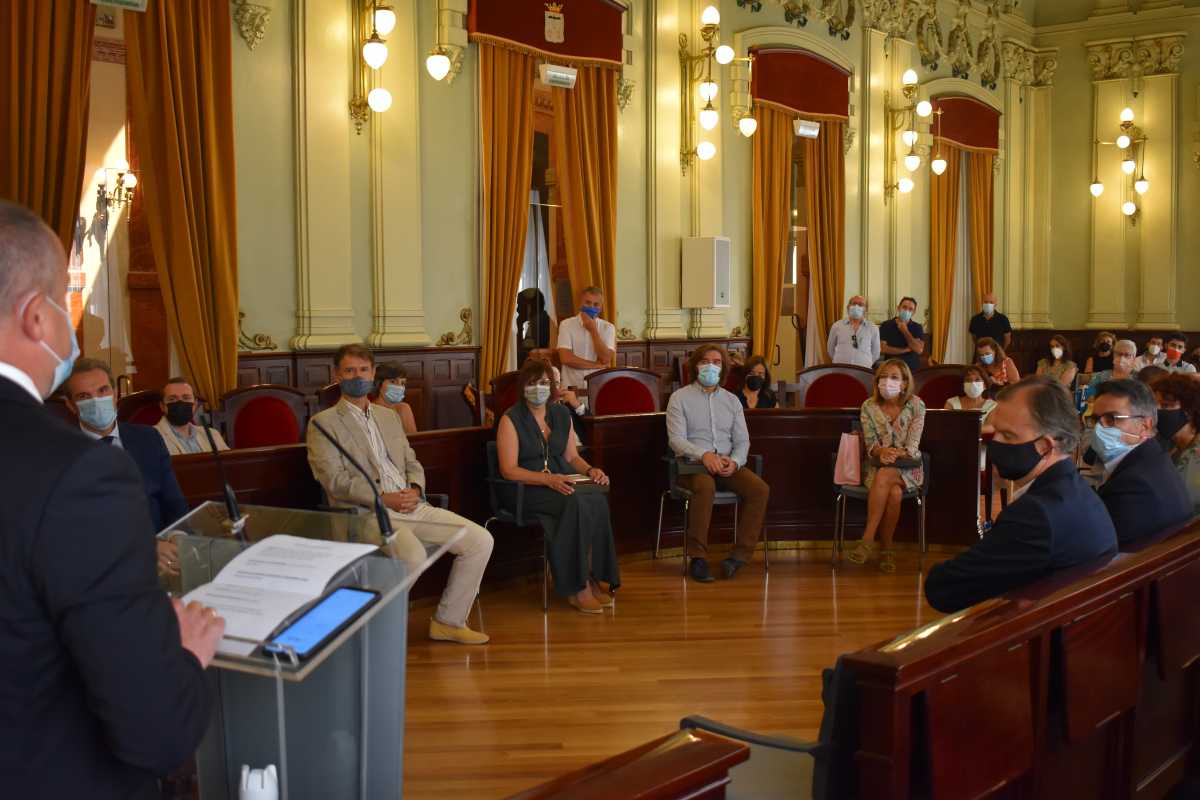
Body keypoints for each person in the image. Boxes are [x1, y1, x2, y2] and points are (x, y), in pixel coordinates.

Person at [0, 199, 221, 798]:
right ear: (36, 317)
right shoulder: (77, 475)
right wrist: (184, 659)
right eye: (61, 303)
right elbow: (156, 730)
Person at [308, 345, 494, 644]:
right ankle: (367, 629)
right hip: (367, 512)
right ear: (337, 375)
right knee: (412, 554)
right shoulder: (323, 423)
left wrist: (416, 488)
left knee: (479, 541)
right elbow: (334, 481)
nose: (358, 376)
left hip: (411, 505)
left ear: (372, 374)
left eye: (363, 370)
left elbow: (411, 461)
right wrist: (383, 498)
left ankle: (448, 621)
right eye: (350, 371)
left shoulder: (388, 416)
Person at [924, 377, 1118, 613]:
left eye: (1008, 436)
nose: (994, 443)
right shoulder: (1076, 490)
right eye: (994, 431)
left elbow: (944, 589)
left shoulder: (1035, 515)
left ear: (1045, 446)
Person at [496, 359, 620, 613]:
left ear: (552, 386)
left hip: (561, 481)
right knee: (573, 502)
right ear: (523, 387)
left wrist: (590, 470)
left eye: (544, 383)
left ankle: (593, 575)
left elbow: (571, 457)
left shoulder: (561, 413)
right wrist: (547, 479)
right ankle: (577, 587)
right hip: (525, 488)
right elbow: (508, 470)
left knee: (595, 499)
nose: (538, 388)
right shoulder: (511, 419)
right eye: (532, 383)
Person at [62, 359, 190, 579]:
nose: (96, 401)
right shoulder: (59, 454)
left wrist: (177, 539)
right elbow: (73, 528)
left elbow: (174, 501)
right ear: (71, 406)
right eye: (84, 397)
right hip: (99, 569)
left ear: (116, 394)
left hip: (165, 560)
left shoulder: (148, 438)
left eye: (103, 390)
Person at [666, 346, 770, 582]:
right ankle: (698, 558)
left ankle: (738, 557)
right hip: (692, 465)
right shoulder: (680, 398)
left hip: (725, 463)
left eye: (716, 362)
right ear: (695, 366)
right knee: (705, 486)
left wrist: (734, 462)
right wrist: (704, 455)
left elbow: (743, 441)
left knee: (760, 489)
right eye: (705, 361)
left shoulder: (732, 401)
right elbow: (676, 440)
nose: (710, 366)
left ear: (723, 368)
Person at [1090, 379, 1193, 546]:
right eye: (1096, 420)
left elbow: (1098, 544)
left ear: (1145, 425)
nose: (1099, 428)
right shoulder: (1152, 457)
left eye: (1111, 419)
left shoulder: (1134, 485)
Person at [846, 359, 926, 573]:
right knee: (894, 493)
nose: (887, 381)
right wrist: (881, 452)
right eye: (883, 376)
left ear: (904, 383)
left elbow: (913, 445)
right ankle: (887, 549)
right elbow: (871, 444)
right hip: (877, 466)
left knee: (886, 476)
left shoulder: (917, 405)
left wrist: (894, 453)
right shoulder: (868, 406)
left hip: (909, 468)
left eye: (893, 377)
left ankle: (867, 539)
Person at [1151, 374, 1200, 515]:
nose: (1158, 411)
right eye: (1156, 405)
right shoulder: (1174, 444)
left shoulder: (1195, 455)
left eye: (1166, 405)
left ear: (1189, 411)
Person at [556, 285, 615, 389]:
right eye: (587, 303)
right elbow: (566, 358)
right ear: (580, 303)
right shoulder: (566, 324)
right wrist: (597, 365)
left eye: (596, 304)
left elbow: (605, 358)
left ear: (601, 307)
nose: (591, 307)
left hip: (598, 386)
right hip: (572, 386)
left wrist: (593, 330)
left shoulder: (608, 327)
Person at [154, 376, 229, 455]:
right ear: (162, 406)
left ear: (195, 404)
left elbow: (230, 464)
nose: (180, 403)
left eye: (186, 398)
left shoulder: (213, 434)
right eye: (172, 399)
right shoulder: (151, 438)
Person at [826, 295, 880, 368]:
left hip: (863, 372)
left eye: (860, 304)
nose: (856, 306)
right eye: (854, 303)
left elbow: (876, 353)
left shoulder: (873, 328)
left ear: (866, 309)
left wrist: (866, 363)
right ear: (848, 307)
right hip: (840, 370)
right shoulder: (837, 326)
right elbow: (830, 349)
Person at [878, 297, 925, 375]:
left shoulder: (917, 327)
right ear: (898, 308)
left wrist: (905, 331)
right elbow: (881, 348)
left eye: (910, 309)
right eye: (904, 307)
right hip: (890, 369)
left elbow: (919, 349)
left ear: (914, 312)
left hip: (912, 370)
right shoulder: (886, 325)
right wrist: (904, 350)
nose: (907, 311)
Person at [372, 361, 418, 435]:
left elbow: (413, 441)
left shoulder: (403, 408)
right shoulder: (369, 410)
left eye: (402, 383)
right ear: (379, 384)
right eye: (393, 382)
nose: (399, 387)